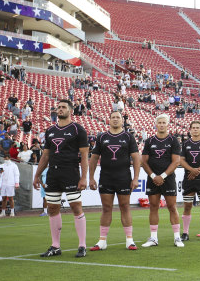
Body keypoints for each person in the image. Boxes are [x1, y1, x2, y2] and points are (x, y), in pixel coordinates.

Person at [32, 99, 90, 258]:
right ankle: (55, 246)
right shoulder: (50, 130)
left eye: (63, 107)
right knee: (52, 208)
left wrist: (84, 177)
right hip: (53, 173)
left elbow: (84, 155)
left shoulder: (78, 129)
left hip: (70, 172)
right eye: (58, 107)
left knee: (76, 207)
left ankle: (82, 245)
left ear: (70, 110)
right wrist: (37, 175)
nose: (60, 109)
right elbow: (45, 155)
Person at [89, 111, 140, 251]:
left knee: (125, 207)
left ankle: (129, 240)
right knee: (106, 208)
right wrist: (91, 177)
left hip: (123, 177)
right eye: (113, 117)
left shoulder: (128, 137)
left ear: (122, 121)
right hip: (106, 177)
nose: (116, 119)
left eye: (118, 117)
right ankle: (102, 241)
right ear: (109, 120)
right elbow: (93, 158)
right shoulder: (102, 137)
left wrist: (136, 178)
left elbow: (136, 158)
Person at [141, 114, 184, 248]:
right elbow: (144, 161)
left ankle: (177, 238)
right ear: (156, 124)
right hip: (152, 179)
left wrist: (163, 176)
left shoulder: (173, 141)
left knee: (172, 207)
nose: (161, 124)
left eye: (163, 122)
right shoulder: (149, 141)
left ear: (167, 124)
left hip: (168, 178)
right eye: (159, 122)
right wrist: (154, 176)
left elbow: (176, 161)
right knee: (153, 207)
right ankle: (153, 238)